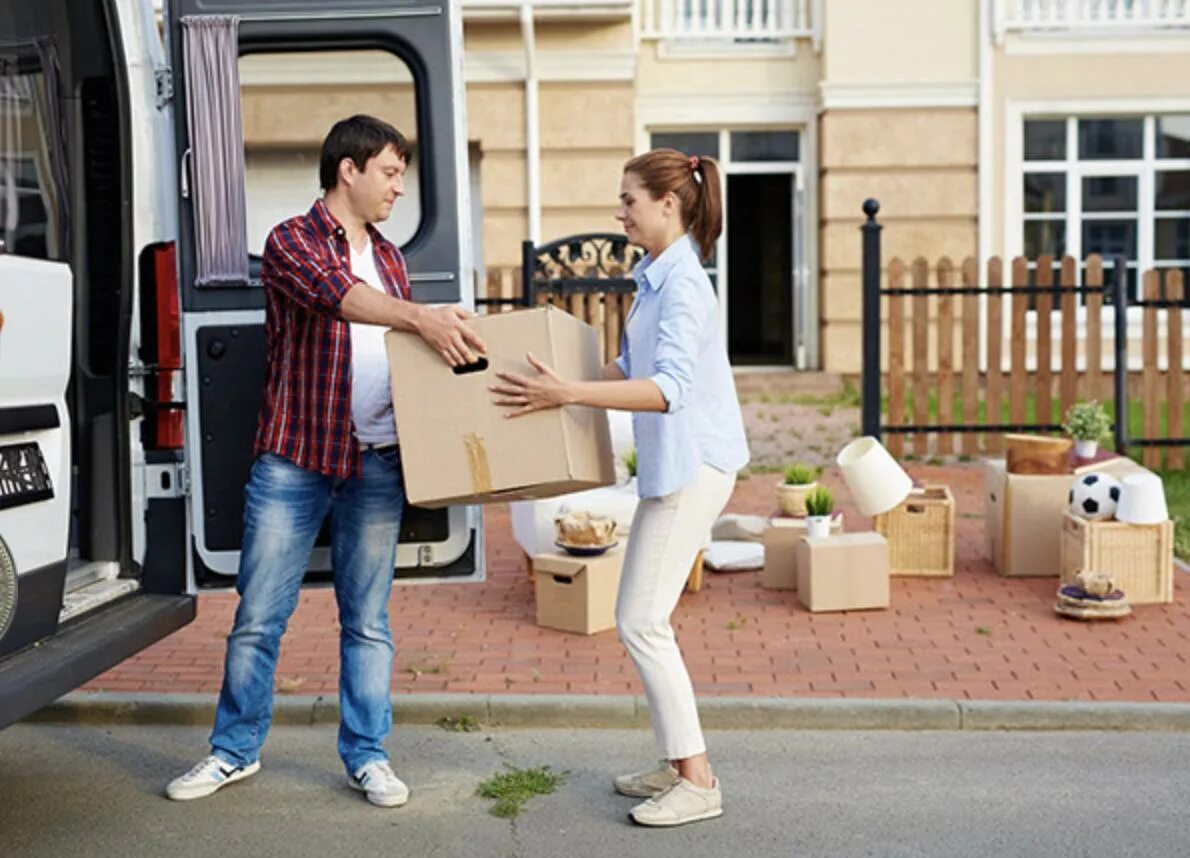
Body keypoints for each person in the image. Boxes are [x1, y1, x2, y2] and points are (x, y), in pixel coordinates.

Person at [166, 115, 485, 807]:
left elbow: (405, 350)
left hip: (377, 464)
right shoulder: (291, 241)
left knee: (367, 621)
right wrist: (419, 316)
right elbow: (337, 297)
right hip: (296, 460)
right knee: (259, 616)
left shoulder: (393, 257)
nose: (399, 188)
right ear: (350, 169)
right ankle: (232, 752)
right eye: (391, 172)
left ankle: (368, 756)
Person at [491, 148, 749, 827]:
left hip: (695, 469)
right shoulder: (658, 278)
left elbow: (666, 390)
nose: (619, 211)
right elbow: (625, 368)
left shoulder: (685, 285)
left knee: (640, 620)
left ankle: (697, 781)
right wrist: (555, 377)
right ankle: (677, 763)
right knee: (643, 619)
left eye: (629, 199)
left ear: (668, 203)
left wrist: (566, 391)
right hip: (677, 467)